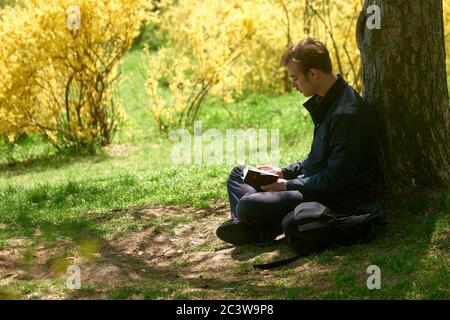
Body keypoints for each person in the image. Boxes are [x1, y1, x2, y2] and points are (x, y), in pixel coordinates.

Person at [216, 38, 379, 246]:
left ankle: (254, 227)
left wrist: (286, 185)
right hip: (305, 182)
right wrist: (284, 172)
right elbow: (315, 159)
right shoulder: (326, 101)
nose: (293, 84)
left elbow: (335, 180)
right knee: (239, 174)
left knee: (247, 205)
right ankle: (256, 228)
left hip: (325, 197)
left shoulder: (347, 113)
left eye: (295, 78)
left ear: (313, 74)